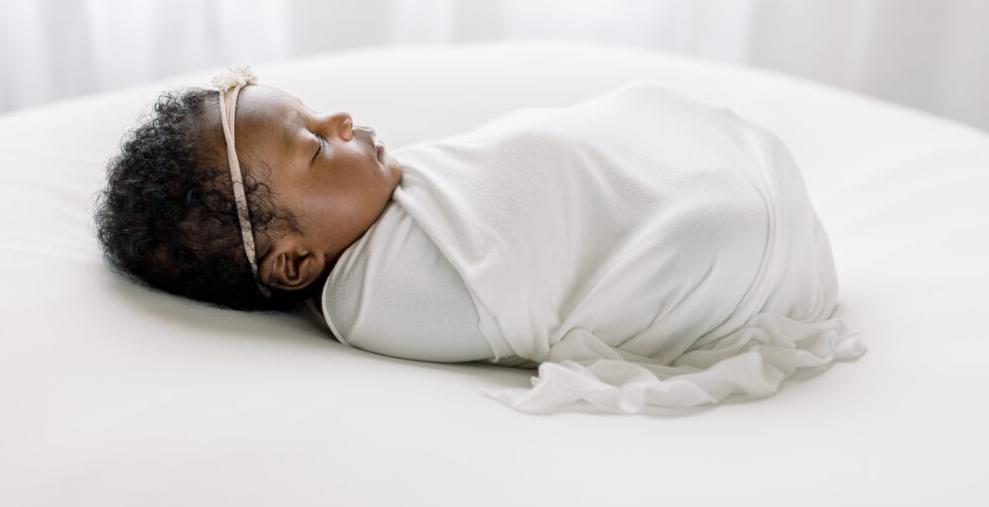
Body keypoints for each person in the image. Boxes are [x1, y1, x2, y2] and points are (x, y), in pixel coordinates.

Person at [96, 66, 864, 413]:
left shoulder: (376, 198)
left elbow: (522, 168)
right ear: (295, 261)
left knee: (631, 112)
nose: (342, 122)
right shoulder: (375, 296)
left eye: (316, 112)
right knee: (711, 233)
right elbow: (527, 283)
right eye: (316, 147)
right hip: (699, 246)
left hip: (615, 180)